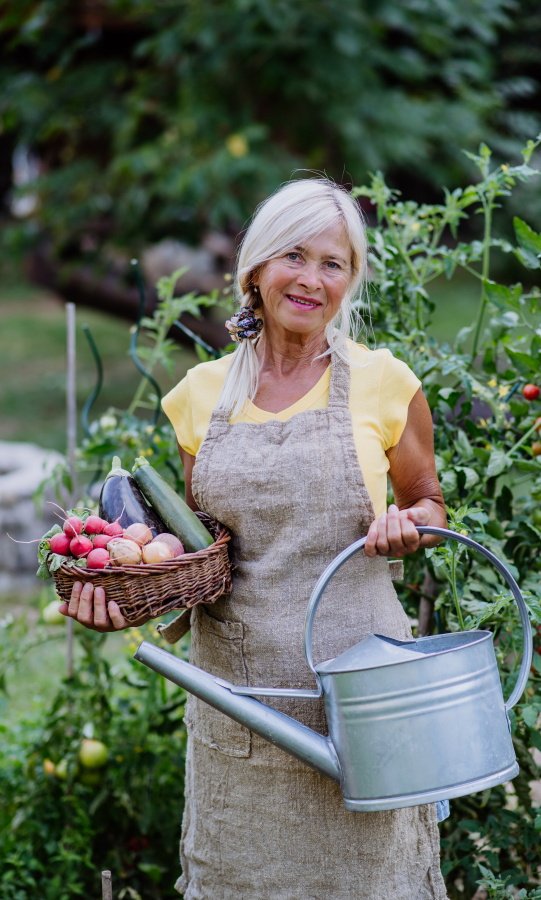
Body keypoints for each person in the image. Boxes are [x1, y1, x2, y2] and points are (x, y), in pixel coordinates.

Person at [61, 178, 448, 900]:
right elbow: (197, 553)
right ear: (256, 271)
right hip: (238, 714)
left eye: (334, 264)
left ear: (350, 280)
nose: (311, 279)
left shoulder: (384, 382)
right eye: (293, 256)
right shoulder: (200, 396)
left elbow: (429, 503)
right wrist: (127, 597)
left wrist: (410, 529)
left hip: (363, 708)